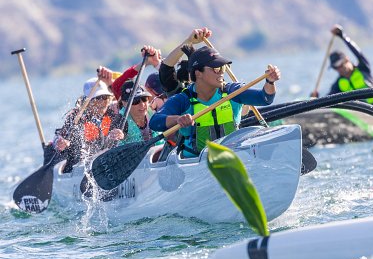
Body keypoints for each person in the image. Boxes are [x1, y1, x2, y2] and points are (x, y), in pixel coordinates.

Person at [150, 45, 280, 158]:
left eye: (223, 68)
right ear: (198, 73)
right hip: (195, 164)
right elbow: (155, 122)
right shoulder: (183, 100)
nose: (221, 73)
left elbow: (265, 98)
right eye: (216, 69)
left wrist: (270, 81)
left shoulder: (232, 92)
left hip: (232, 158)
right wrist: (177, 120)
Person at [53, 71, 124, 173]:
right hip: (79, 166)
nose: (102, 102)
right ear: (87, 101)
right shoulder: (76, 118)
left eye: (105, 97)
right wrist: (60, 143)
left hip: (105, 163)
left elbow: (127, 94)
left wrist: (122, 135)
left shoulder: (113, 113)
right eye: (97, 98)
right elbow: (59, 137)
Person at [312, 25, 373, 107]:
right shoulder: (338, 84)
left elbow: (358, 53)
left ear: (346, 59)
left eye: (339, 64)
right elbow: (327, 100)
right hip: (361, 115)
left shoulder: (363, 68)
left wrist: (343, 36)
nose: (338, 69)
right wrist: (316, 100)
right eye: (335, 67)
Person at [117, 80, 163, 145]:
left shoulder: (151, 110)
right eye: (136, 101)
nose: (142, 105)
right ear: (125, 103)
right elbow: (109, 145)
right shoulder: (121, 120)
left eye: (144, 99)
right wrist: (112, 138)